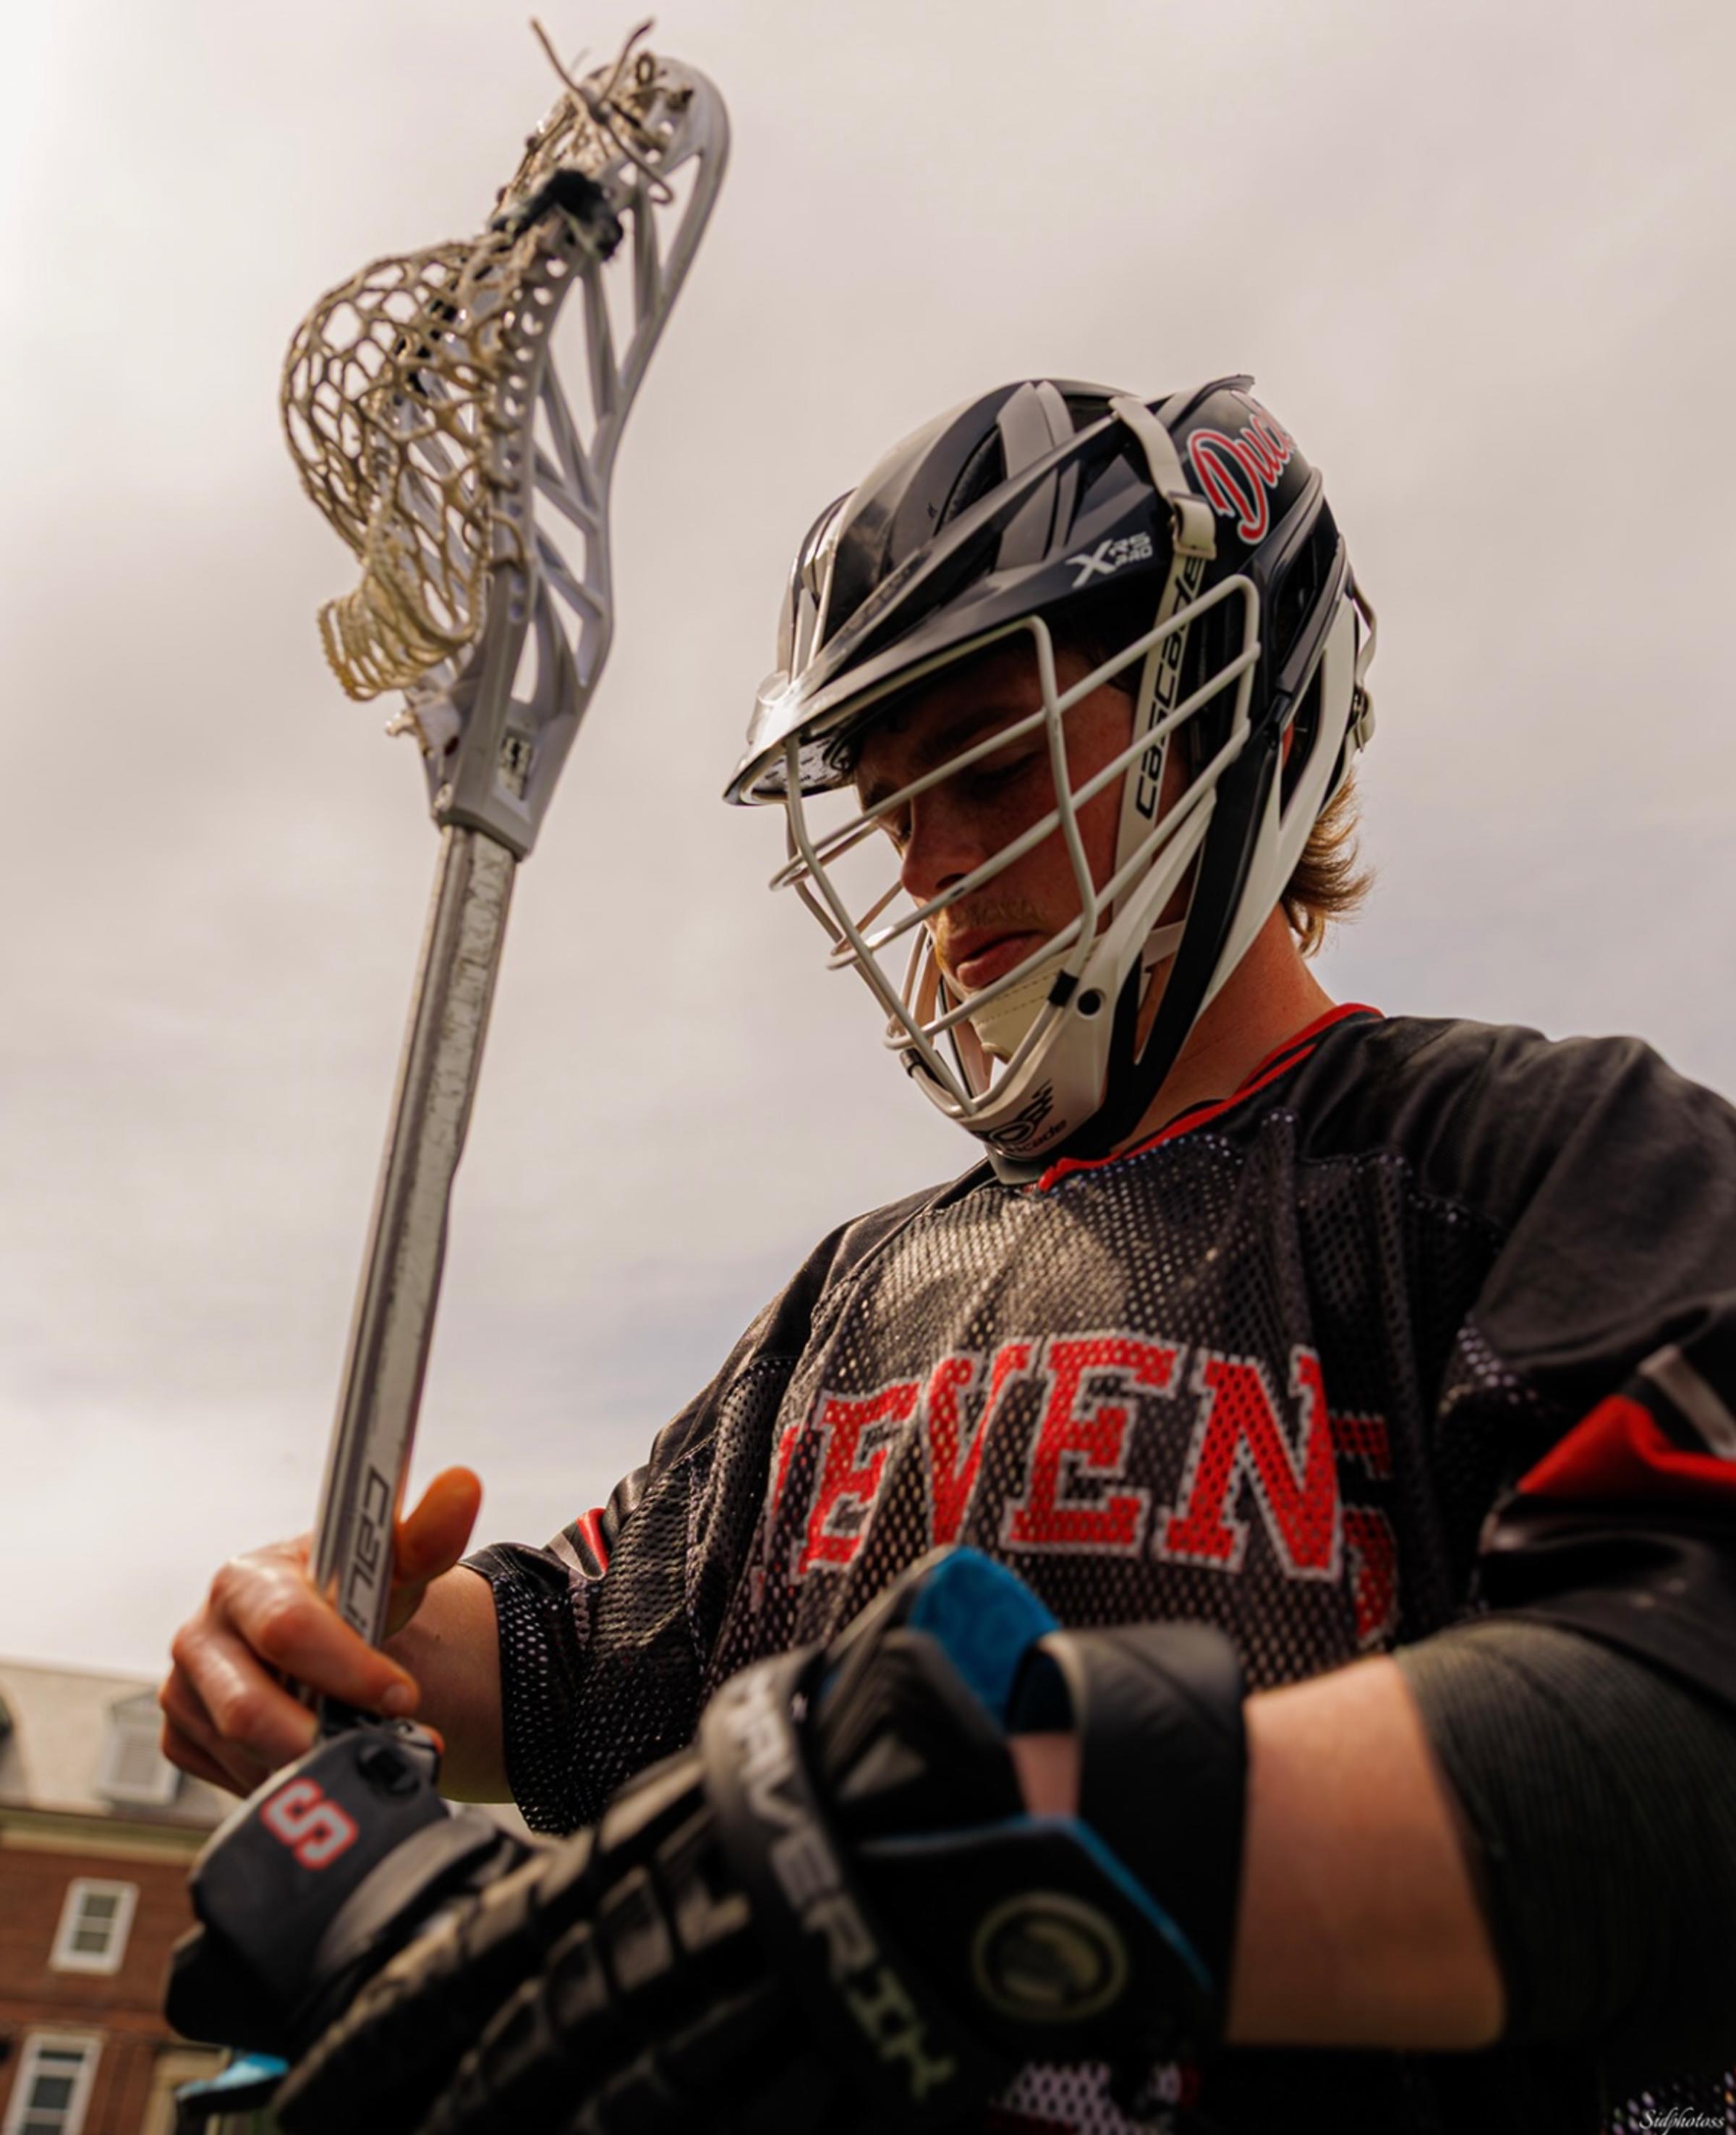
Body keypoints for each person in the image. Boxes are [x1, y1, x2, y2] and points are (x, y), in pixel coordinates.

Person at [162, 377, 1736, 2135]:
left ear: (1251, 727)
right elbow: (577, 1672)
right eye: (890, 801)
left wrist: (998, 1857)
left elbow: (1680, 1716)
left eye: (989, 761)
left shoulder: (1538, 1159)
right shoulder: (851, 1302)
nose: (925, 865)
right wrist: (347, 1632)